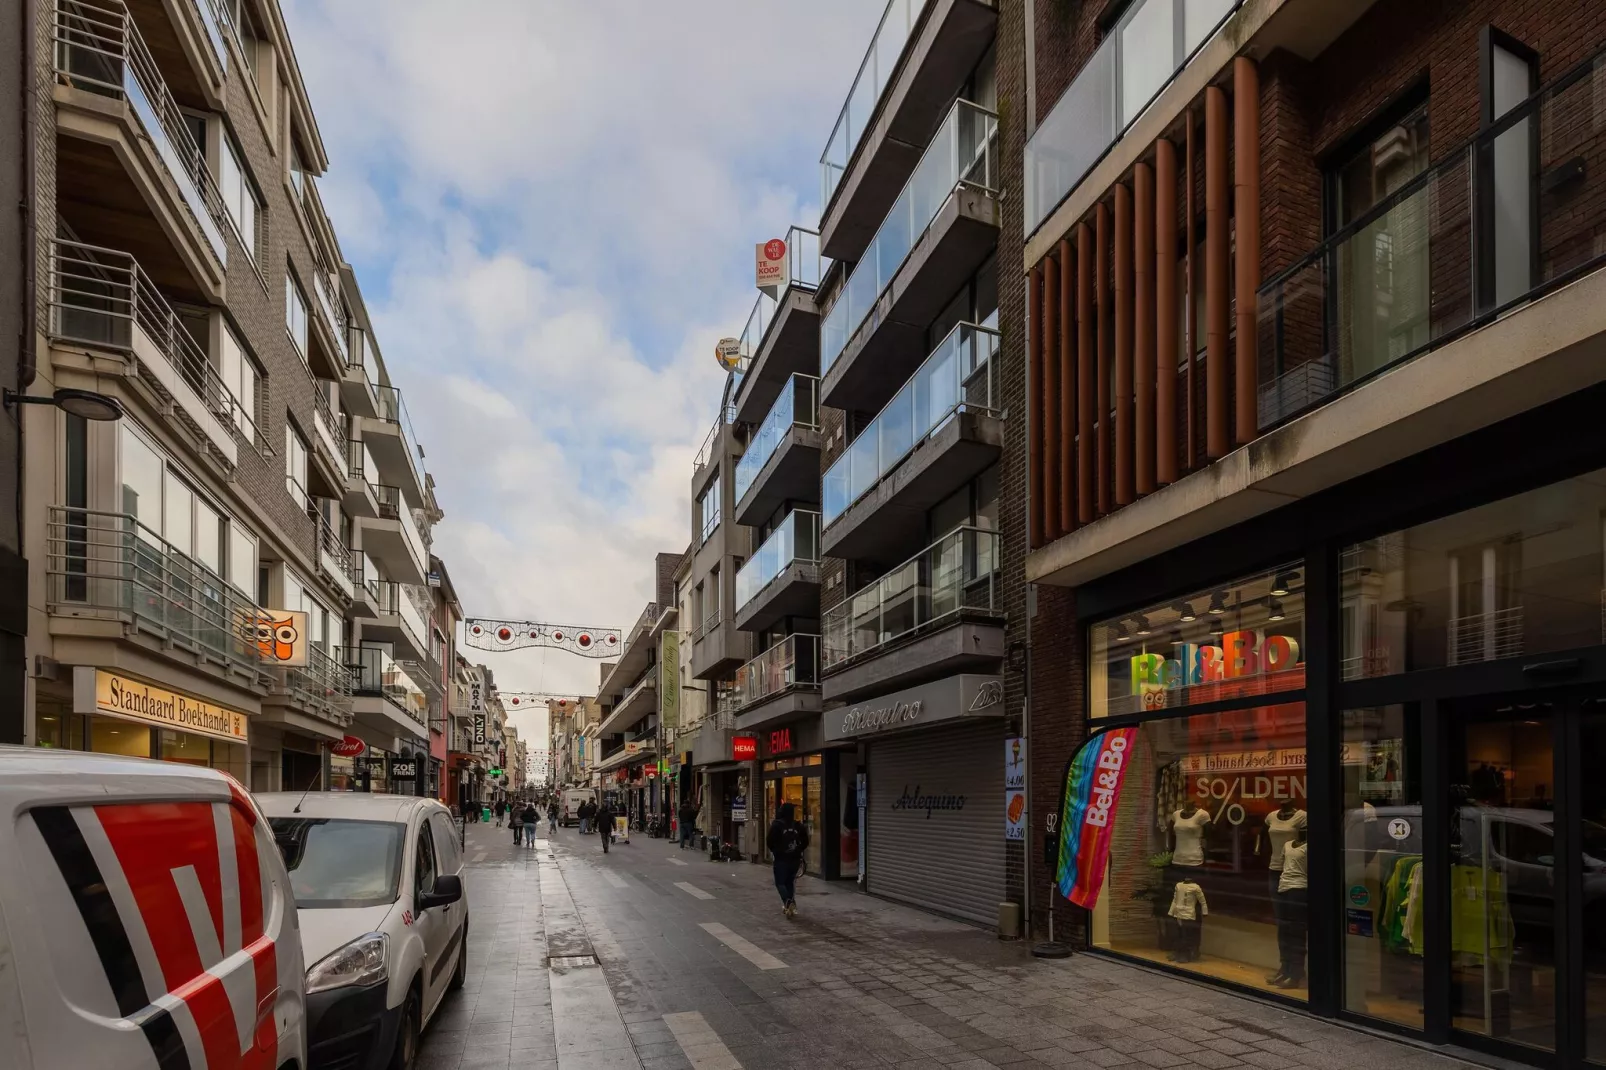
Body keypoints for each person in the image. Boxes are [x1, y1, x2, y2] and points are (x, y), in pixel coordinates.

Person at [766, 802, 809, 918]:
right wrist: (798, 850)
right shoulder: (798, 825)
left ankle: (788, 902)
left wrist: (775, 850)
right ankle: (791, 904)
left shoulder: (777, 825)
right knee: (789, 882)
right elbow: (806, 841)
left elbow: (769, 841)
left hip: (781, 859)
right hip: (795, 859)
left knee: (780, 882)